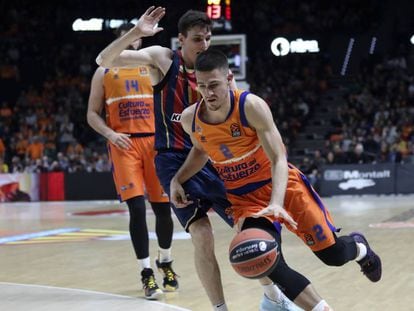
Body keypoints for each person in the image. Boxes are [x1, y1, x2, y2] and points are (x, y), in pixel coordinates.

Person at [96, 7, 303, 311]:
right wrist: (137, 33)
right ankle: (220, 308)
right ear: (180, 40)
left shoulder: (219, 74)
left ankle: (273, 295)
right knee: (202, 235)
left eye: (207, 38)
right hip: (172, 161)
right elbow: (104, 61)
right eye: (197, 39)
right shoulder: (163, 59)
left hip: (211, 158)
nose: (204, 44)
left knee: (251, 229)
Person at [170, 49, 382, 310]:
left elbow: (279, 158)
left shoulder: (251, 107)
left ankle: (359, 247)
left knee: (334, 256)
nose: (208, 93)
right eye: (202, 86)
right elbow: (202, 150)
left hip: (284, 187)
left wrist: (277, 202)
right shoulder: (191, 118)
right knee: (266, 260)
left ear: (228, 78)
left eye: (213, 85)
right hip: (245, 200)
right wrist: (177, 179)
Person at [88, 22, 178, 300]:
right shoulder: (103, 71)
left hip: (156, 143)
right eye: (130, 37)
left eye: (138, 38)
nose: (134, 42)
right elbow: (92, 114)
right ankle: (146, 272)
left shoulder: (152, 65)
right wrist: (110, 134)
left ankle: (166, 261)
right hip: (124, 143)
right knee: (137, 209)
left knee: (164, 210)